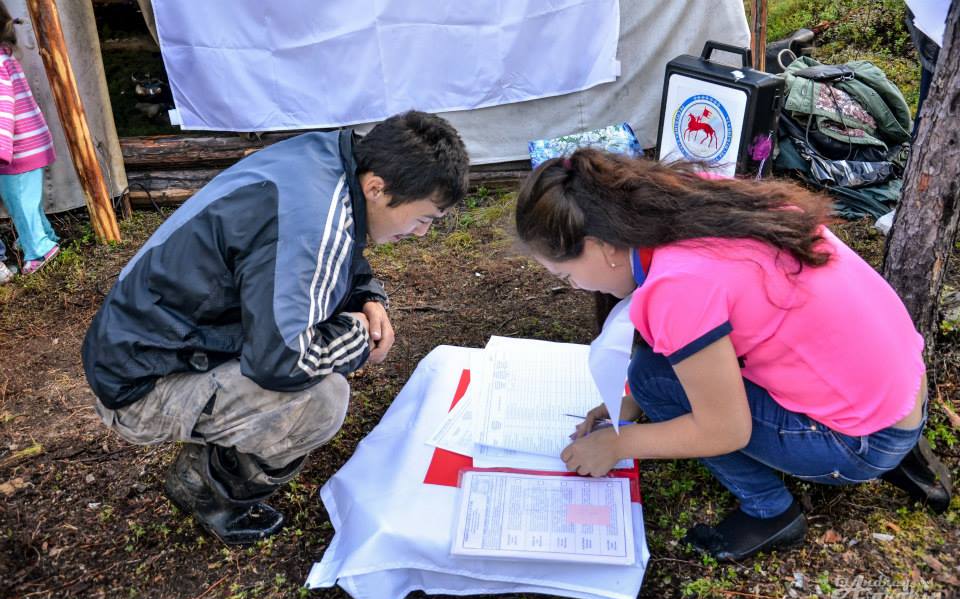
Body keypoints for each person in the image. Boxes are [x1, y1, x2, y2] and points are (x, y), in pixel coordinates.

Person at [514, 149, 952, 561]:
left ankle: (770, 512)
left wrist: (618, 443)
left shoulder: (677, 288)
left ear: (601, 245)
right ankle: (901, 449)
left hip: (861, 440)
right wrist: (622, 406)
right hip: (904, 387)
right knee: (648, 380)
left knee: (650, 377)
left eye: (565, 274)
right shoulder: (688, 201)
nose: (574, 287)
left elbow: (725, 430)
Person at [83, 111, 469, 545]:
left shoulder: (326, 161)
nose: (420, 234)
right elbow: (283, 362)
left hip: (140, 344)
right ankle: (209, 489)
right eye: (424, 218)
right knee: (320, 399)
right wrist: (358, 336)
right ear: (376, 188)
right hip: (139, 385)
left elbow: (333, 252)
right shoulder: (311, 218)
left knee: (313, 343)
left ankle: (215, 443)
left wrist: (367, 296)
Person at [0, 2, 59, 277]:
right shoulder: (5, 56)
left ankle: (40, 249)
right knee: (27, 201)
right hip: (29, 145)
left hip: (16, 150)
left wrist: (1, 149)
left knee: (20, 203)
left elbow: (3, 109)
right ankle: (44, 234)